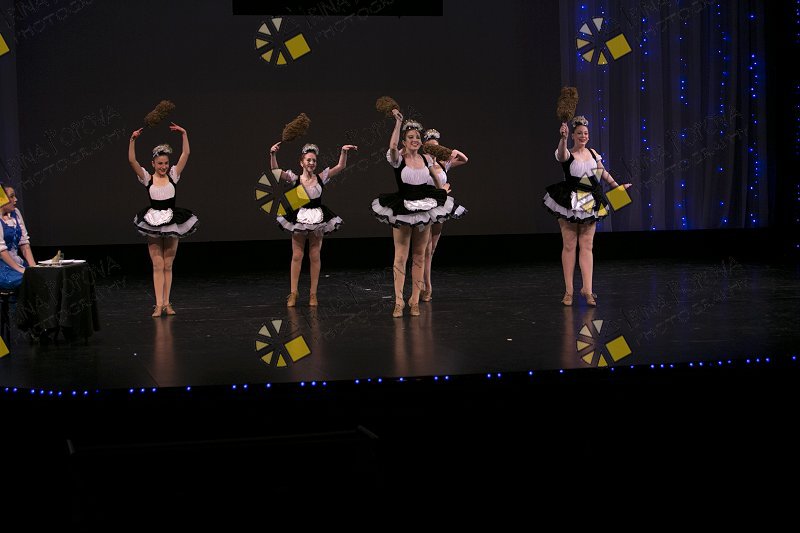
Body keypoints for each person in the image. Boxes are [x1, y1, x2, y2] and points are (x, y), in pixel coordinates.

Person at [372, 110, 466, 317]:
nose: (415, 140)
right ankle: (398, 301)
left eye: (417, 137)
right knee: (400, 256)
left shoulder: (426, 159)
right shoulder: (398, 159)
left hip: (424, 207)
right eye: (410, 137)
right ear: (404, 141)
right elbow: (392, 147)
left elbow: (436, 179)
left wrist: (442, 191)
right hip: (403, 208)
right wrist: (398, 123)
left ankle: (414, 299)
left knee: (419, 256)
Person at [542, 116, 631, 306]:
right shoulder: (567, 153)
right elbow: (561, 155)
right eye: (579, 133)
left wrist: (617, 187)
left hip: (589, 199)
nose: (583, 136)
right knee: (569, 245)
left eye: (586, 133)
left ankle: (587, 290)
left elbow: (602, 173)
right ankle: (569, 291)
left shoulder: (593, 153)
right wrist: (563, 138)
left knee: (587, 245)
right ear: (573, 135)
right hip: (570, 200)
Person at [270, 141, 357, 307]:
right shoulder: (295, 178)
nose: (311, 163)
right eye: (308, 160)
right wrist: (273, 154)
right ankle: (293, 293)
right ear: (301, 162)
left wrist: (344, 152)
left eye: (314, 160)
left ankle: (313, 294)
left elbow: (340, 167)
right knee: (297, 255)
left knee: (315, 255)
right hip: (299, 217)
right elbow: (275, 171)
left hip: (317, 218)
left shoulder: (321, 178)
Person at [128, 123, 198, 317]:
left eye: (166, 163)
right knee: (157, 265)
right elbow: (132, 161)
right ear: (153, 164)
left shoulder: (173, 175)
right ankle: (158, 304)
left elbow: (186, 154)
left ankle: (167, 303)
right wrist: (132, 140)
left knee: (168, 264)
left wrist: (184, 134)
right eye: (160, 163)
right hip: (153, 221)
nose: (163, 167)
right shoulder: (147, 178)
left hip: (172, 221)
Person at [420, 128, 469, 302]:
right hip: (425, 206)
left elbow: (464, 159)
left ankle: (424, 283)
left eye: (436, 147)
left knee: (432, 249)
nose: (434, 150)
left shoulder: (443, 164)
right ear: (425, 148)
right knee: (425, 249)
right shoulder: (421, 164)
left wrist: (452, 151)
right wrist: (441, 190)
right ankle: (426, 286)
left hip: (440, 207)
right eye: (431, 147)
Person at [0, 186, 36, 290]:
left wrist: (33, 267)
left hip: (16, 262)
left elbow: (24, 243)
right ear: (2, 199)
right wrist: (20, 270)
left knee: (37, 276)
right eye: (11, 196)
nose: (15, 199)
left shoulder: (15, 213)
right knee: (25, 279)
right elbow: (2, 251)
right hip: (2, 266)